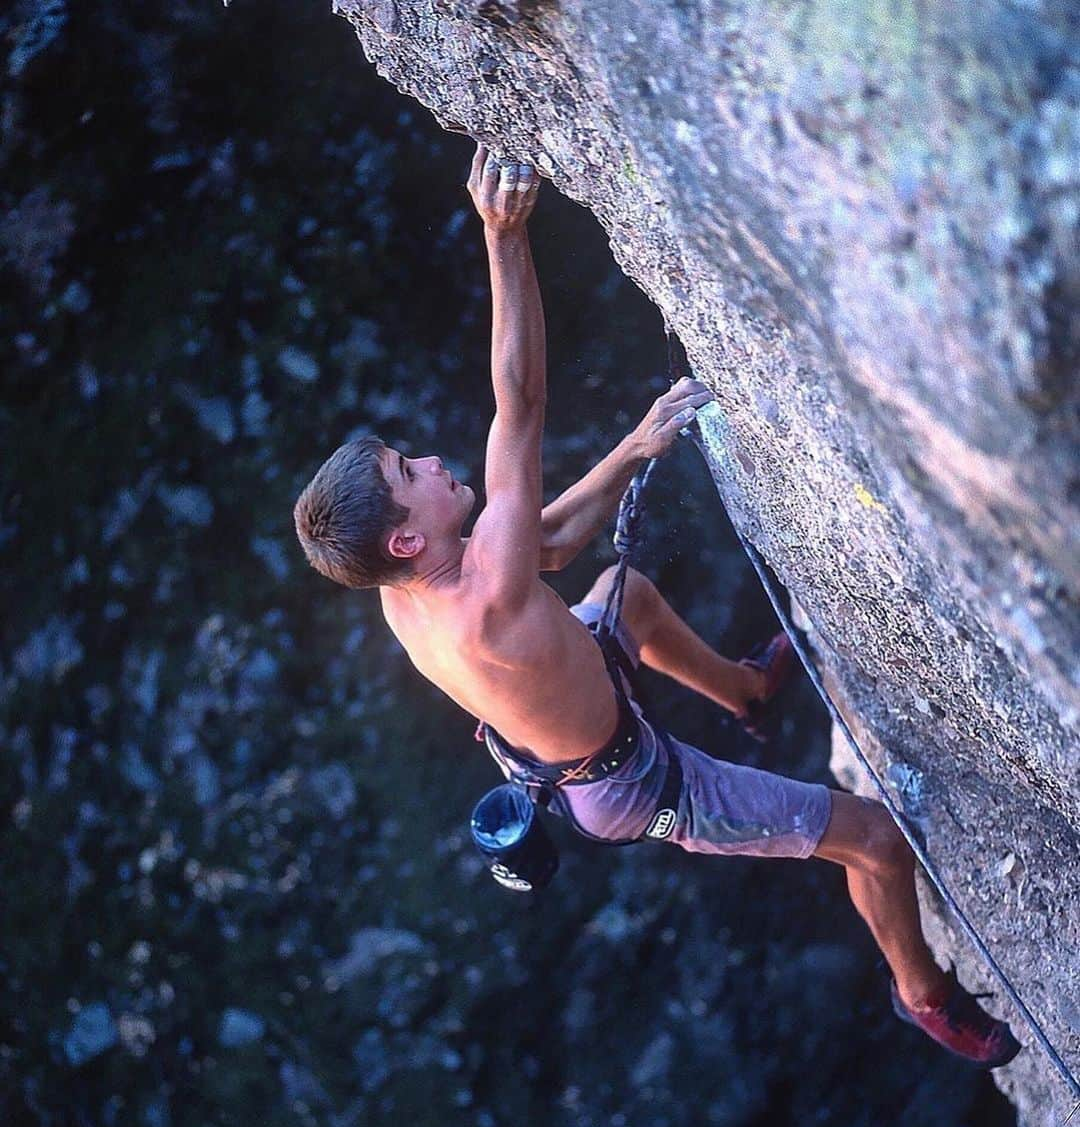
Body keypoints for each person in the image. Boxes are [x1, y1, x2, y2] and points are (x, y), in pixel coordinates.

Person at [293, 141, 1020, 1071]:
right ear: (405, 540)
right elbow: (519, 403)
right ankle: (923, 997)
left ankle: (746, 695)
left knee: (620, 595)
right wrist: (504, 238)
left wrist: (635, 449)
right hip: (637, 783)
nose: (432, 463)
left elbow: (547, 546)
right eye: (412, 473)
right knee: (876, 840)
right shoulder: (478, 602)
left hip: (570, 716)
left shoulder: (409, 596)